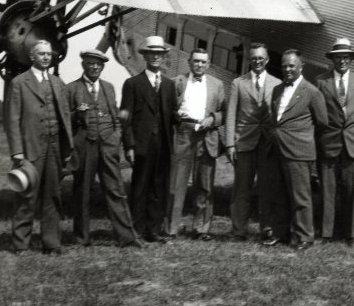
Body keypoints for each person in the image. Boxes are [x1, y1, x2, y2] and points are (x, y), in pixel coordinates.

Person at [5, 40, 74, 255]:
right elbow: (12, 119)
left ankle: (51, 243)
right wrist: (17, 151)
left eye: (48, 54)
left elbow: (65, 117)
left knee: (53, 196)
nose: (46, 57)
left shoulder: (57, 83)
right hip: (30, 149)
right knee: (27, 197)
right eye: (41, 54)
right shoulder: (19, 83)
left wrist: (67, 146)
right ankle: (20, 245)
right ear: (32, 57)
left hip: (54, 148)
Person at [66, 49, 140, 247]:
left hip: (108, 144)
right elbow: (65, 120)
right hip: (85, 145)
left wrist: (116, 136)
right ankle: (82, 239)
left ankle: (127, 237)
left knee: (115, 189)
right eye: (90, 63)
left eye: (98, 64)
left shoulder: (108, 87)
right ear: (83, 65)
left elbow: (115, 116)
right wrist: (76, 114)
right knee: (82, 192)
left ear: (103, 67)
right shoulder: (72, 88)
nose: (94, 67)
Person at [264, 50, 327, 250]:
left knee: (301, 196)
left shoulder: (312, 91)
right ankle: (280, 233)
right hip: (277, 149)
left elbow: (323, 122)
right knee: (279, 193)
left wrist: (303, 137)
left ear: (301, 66)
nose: (287, 69)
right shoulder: (277, 90)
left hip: (299, 151)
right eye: (284, 66)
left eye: (291, 65)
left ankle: (305, 237)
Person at [315, 37, 354, 243]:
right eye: (338, 58)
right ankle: (327, 233)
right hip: (329, 143)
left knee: (351, 190)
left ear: (351, 59)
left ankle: (351, 233)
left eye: (345, 57)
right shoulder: (321, 81)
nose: (342, 61)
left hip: (353, 144)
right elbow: (317, 115)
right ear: (333, 59)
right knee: (327, 190)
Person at [120, 36, 176, 243]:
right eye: (151, 53)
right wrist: (130, 146)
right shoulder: (133, 84)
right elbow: (126, 119)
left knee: (158, 187)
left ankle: (153, 230)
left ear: (163, 57)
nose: (155, 57)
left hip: (162, 144)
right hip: (142, 145)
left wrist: (187, 116)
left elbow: (173, 113)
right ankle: (136, 229)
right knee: (140, 186)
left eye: (159, 53)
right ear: (144, 55)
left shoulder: (169, 85)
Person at [166, 48, 226, 240]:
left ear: (208, 65)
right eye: (196, 61)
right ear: (189, 62)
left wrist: (212, 119)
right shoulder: (177, 82)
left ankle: (201, 229)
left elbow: (224, 112)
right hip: (184, 133)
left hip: (206, 135)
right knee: (176, 183)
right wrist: (176, 115)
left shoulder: (217, 85)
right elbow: (169, 109)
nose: (199, 65)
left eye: (203, 62)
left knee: (204, 184)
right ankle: (171, 228)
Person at [225, 43, 282, 241]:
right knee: (241, 188)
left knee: (267, 188)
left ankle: (267, 229)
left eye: (261, 58)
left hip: (267, 145)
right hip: (244, 142)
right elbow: (231, 114)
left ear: (267, 60)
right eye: (253, 58)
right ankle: (238, 230)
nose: (257, 61)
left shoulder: (276, 84)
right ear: (249, 60)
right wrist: (230, 144)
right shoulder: (238, 83)